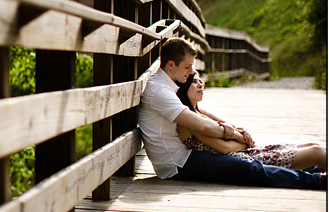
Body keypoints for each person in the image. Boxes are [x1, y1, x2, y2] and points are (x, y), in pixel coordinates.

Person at [138, 37, 325, 190]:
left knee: (250, 162)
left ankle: (314, 170)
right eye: (187, 67)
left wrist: (228, 125)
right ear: (171, 64)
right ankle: (318, 181)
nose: (191, 72)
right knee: (250, 168)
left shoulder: (168, 85)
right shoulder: (160, 91)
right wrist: (235, 134)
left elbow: (196, 110)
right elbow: (201, 125)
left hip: (183, 155)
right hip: (177, 164)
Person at [175, 72, 327, 171]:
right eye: (195, 82)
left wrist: (240, 134)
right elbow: (224, 149)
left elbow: (234, 128)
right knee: (316, 152)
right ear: (184, 88)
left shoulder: (199, 112)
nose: (201, 84)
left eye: (201, 81)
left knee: (312, 145)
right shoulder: (190, 120)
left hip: (248, 151)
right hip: (244, 159)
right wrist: (244, 141)